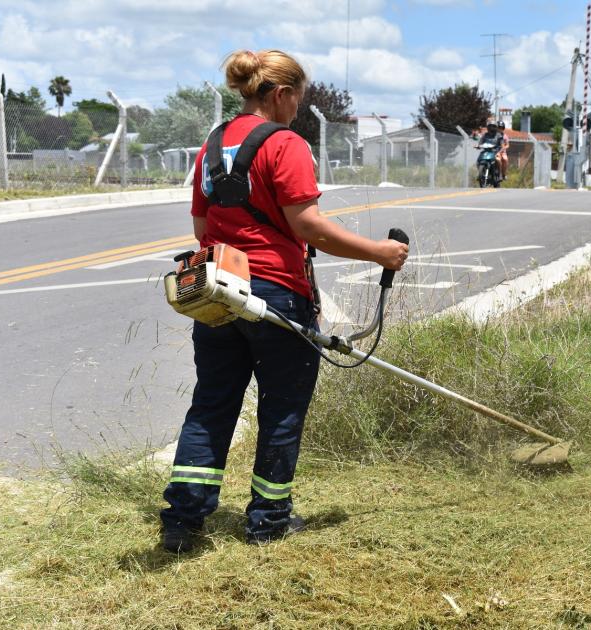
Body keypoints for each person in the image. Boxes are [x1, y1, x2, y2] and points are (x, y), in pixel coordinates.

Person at [160, 49, 408, 552]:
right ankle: (268, 520)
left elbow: (203, 228)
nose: (298, 109)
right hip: (275, 293)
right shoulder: (284, 143)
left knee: (211, 405)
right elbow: (308, 224)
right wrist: (380, 253)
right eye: (298, 98)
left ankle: (183, 522)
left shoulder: (210, 146)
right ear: (281, 94)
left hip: (219, 293)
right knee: (282, 409)